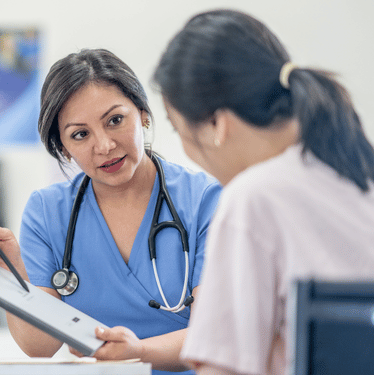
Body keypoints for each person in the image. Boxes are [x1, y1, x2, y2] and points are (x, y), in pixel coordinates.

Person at [0, 48, 222, 375]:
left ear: (143, 114)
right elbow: (40, 346)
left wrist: (139, 352)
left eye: (115, 120)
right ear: (63, 147)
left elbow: (217, 335)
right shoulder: (47, 211)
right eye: (80, 134)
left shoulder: (205, 200)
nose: (104, 146)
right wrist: (14, 278)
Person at [152, 9, 374, 375]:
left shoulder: (253, 199)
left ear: (214, 124)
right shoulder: (358, 171)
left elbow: (221, 370)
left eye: (178, 131)